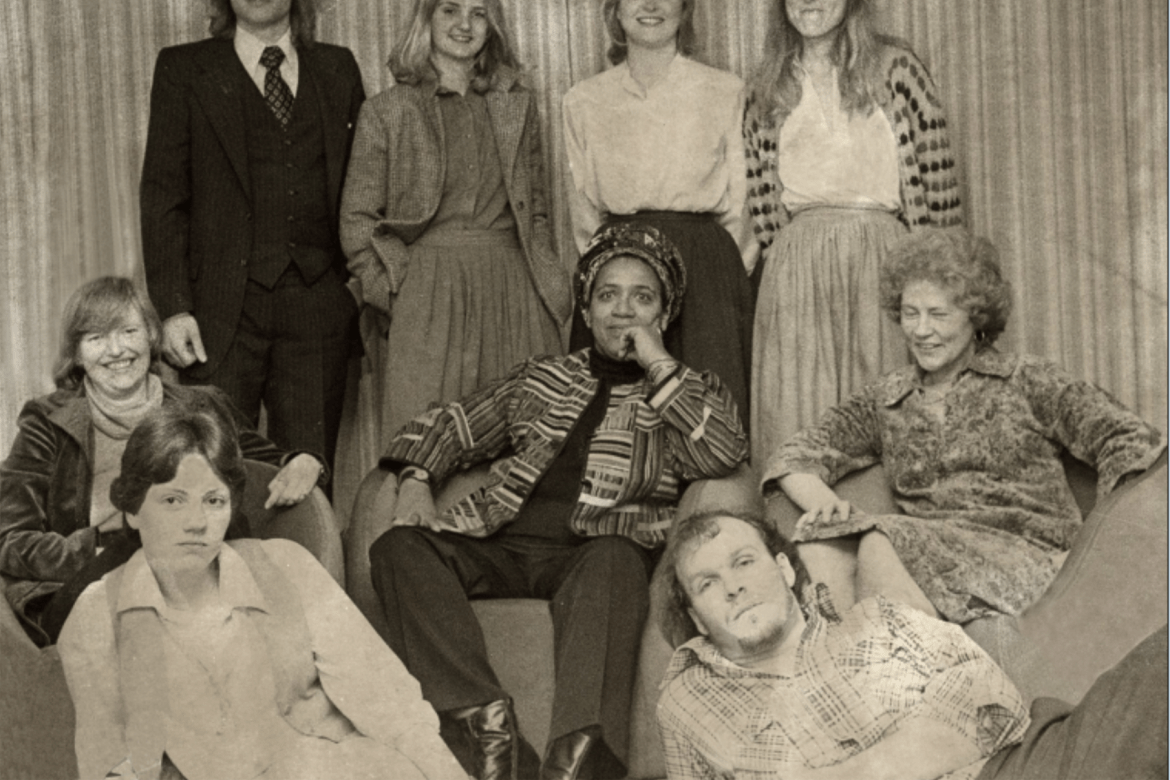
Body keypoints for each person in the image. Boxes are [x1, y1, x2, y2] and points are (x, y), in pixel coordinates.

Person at [368, 223, 748, 780]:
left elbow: (721, 451)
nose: (623, 310)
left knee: (616, 559)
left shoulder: (685, 390)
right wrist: (418, 477)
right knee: (398, 547)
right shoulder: (543, 378)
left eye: (642, 298)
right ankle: (487, 730)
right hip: (500, 542)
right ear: (588, 311)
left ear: (663, 316)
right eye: (607, 295)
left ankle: (579, 760)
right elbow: (453, 423)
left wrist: (659, 365)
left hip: (595, 557)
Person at [762, 229, 1166, 624]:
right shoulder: (886, 398)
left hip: (1028, 556)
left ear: (976, 318)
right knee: (820, 544)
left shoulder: (1027, 379)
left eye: (938, 314)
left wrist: (1105, 543)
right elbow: (795, 456)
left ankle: (885, 679)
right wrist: (821, 503)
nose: (921, 330)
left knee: (882, 542)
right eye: (910, 313)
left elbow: (1130, 439)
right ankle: (846, 677)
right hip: (930, 557)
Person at [57, 403, 465, 780]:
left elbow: (393, 707)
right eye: (172, 501)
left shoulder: (288, 567)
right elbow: (112, 766)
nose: (196, 522)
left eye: (214, 500)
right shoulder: (95, 617)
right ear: (131, 509)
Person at [654, 510, 1169, 780]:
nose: (733, 586)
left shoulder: (884, 620)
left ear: (785, 568)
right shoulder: (688, 702)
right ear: (696, 617)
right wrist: (917, 742)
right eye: (706, 583)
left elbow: (994, 708)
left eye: (744, 562)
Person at [0, 277, 324, 647]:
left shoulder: (202, 405)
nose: (116, 350)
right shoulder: (48, 421)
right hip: (91, 584)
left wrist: (302, 460)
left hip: (195, 573)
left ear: (152, 335)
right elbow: (10, 539)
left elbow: (264, 456)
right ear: (77, 353)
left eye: (128, 331)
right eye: (96, 338)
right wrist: (95, 551)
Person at [140, 0, 365, 472]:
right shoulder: (184, 69)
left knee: (308, 477)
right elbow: (163, 196)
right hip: (218, 314)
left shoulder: (337, 67)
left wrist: (354, 291)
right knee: (212, 470)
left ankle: (302, 551)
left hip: (316, 308)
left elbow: (364, 186)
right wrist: (174, 308)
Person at [341, 0, 571, 448]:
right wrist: (393, 291)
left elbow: (536, 208)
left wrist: (544, 282)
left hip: (513, 288)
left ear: (493, 26)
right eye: (449, 10)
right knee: (423, 446)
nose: (464, 24)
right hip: (426, 292)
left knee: (526, 442)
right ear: (426, 21)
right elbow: (357, 219)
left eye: (479, 12)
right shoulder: (388, 110)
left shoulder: (516, 105)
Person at [746, 0, 964, 462]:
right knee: (798, 414)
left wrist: (941, 278)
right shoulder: (767, 84)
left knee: (887, 413)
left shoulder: (896, 68)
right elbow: (762, 200)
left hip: (884, 260)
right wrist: (791, 260)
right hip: (797, 270)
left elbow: (939, 182)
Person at [562, 0, 754, 421]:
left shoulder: (724, 90)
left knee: (707, 420)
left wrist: (718, 283)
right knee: (615, 422)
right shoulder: (584, 100)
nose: (650, 5)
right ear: (614, 10)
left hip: (706, 276)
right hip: (619, 270)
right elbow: (583, 214)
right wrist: (607, 285)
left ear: (685, 10)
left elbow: (741, 204)